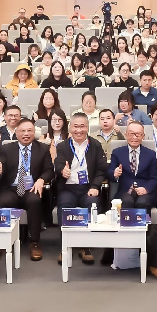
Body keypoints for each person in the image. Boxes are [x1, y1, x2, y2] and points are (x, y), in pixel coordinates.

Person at [0, 118, 53, 262]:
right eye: (22, 131)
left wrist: (41, 179)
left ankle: (35, 242)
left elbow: (49, 170)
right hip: (11, 188)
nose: (26, 134)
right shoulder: (6, 148)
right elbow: (0, 166)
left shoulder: (42, 148)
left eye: (29, 130)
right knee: (2, 202)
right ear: (16, 133)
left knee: (34, 201)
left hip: (31, 188)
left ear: (34, 132)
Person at [53, 112, 107, 266]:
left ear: (87, 127)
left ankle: (86, 247)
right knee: (65, 205)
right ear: (70, 127)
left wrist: (95, 186)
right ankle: (65, 246)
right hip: (68, 188)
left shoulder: (95, 145)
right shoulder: (63, 146)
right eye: (75, 126)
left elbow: (101, 169)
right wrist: (62, 170)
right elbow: (58, 163)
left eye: (82, 126)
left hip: (88, 187)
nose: (79, 130)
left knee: (92, 203)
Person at [109, 121, 157, 211]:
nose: (134, 137)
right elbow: (109, 171)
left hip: (144, 192)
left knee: (142, 202)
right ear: (126, 135)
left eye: (138, 134)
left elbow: (154, 177)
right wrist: (115, 174)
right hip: (125, 191)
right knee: (127, 201)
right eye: (131, 133)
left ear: (143, 136)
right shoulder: (117, 152)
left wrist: (146, 189)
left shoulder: (151, 154)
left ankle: (144, 221)